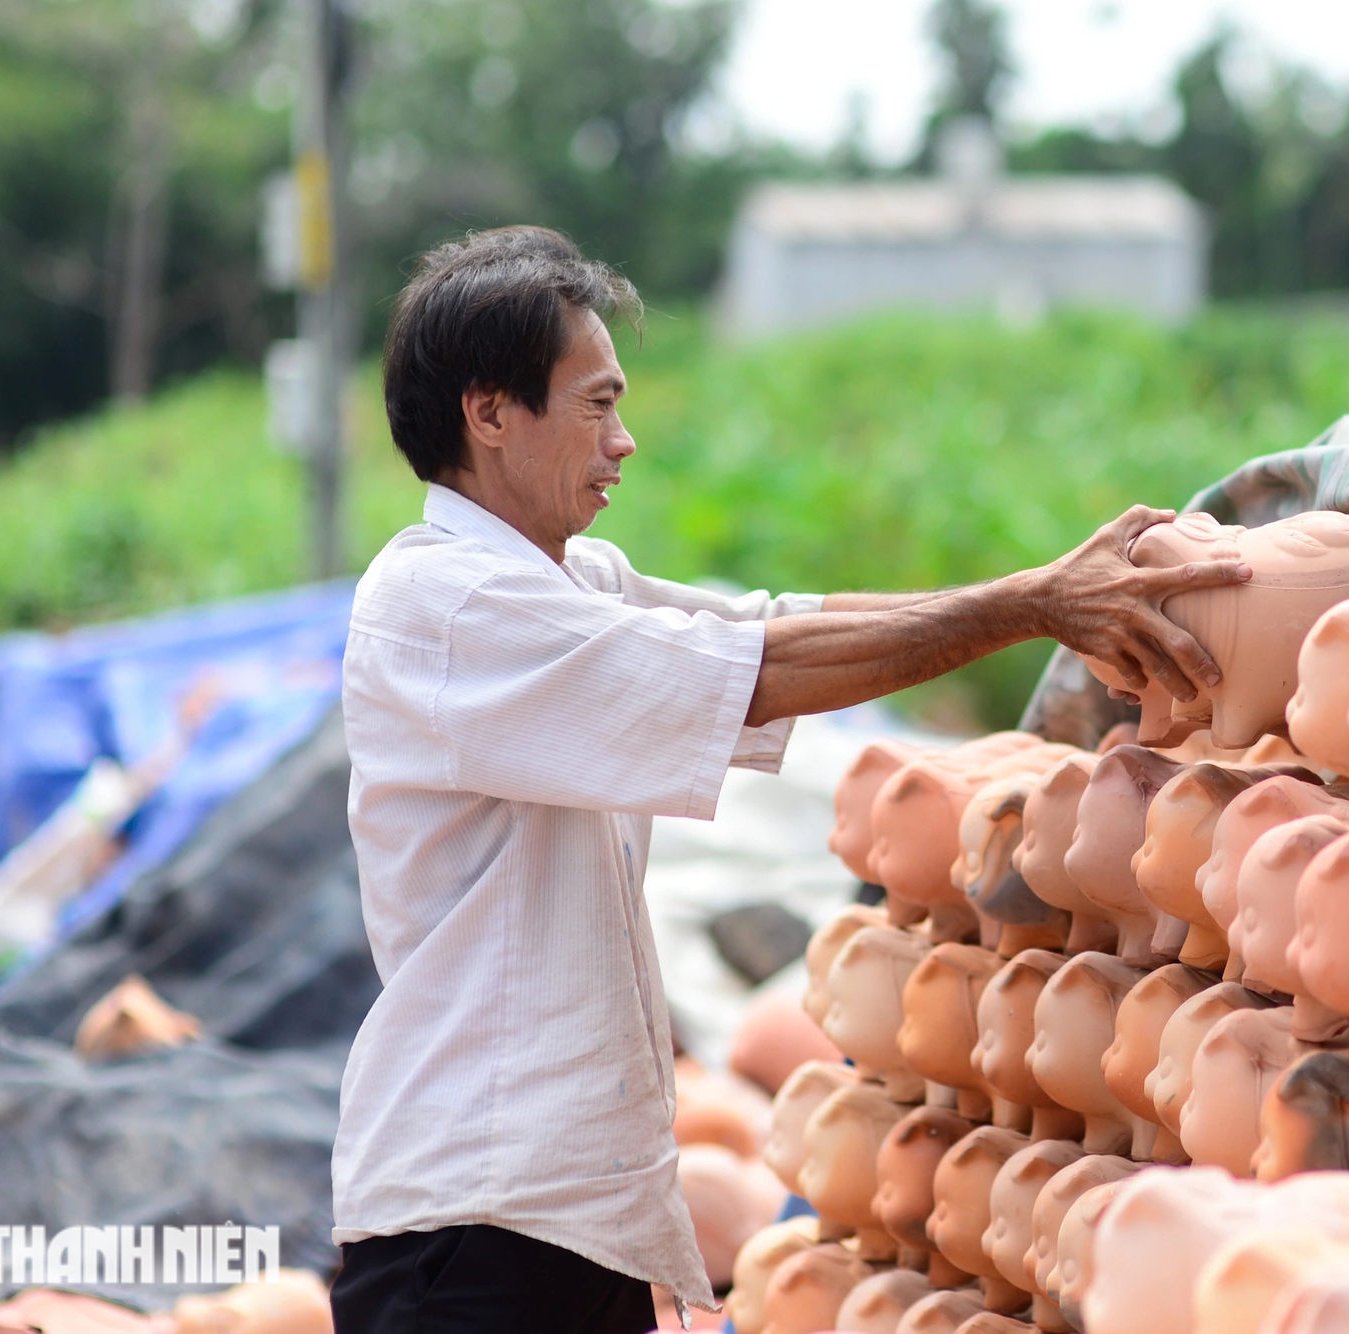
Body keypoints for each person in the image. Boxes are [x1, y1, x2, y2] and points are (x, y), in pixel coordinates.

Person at [327, 225, 1249, 1334]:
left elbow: (777, 625)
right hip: (472, 1225)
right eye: (595, 404)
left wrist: (1037, 590)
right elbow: (757, 671)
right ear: (488, 412)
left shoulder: (570, 580)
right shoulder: (450, 603)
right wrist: (1030, 603)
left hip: (560, 1214)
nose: (623, 441)